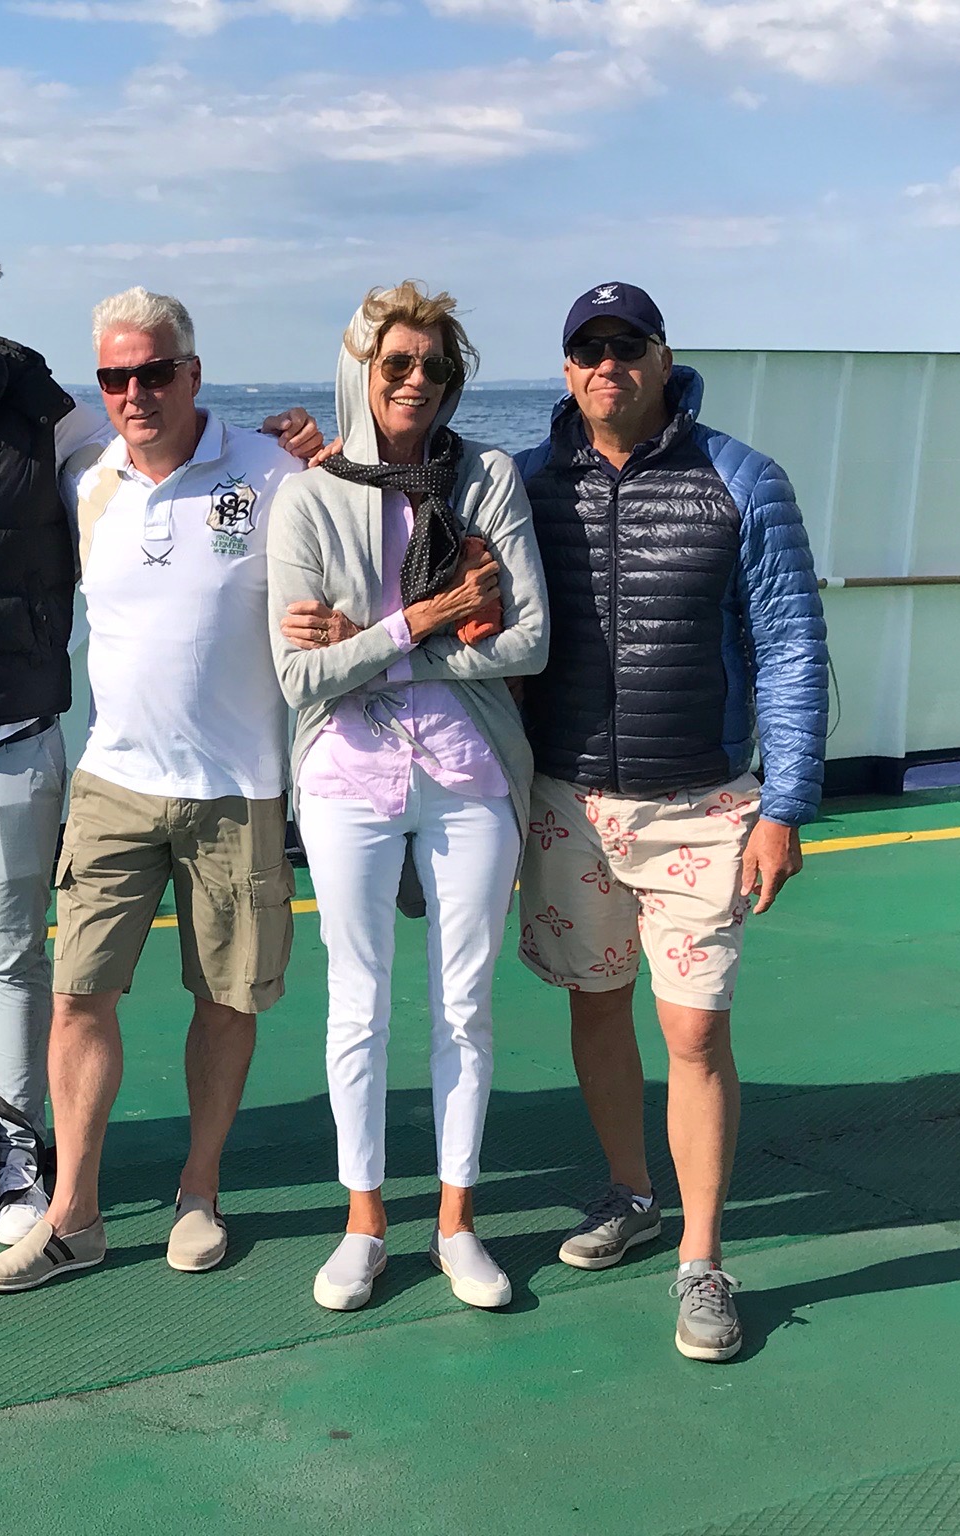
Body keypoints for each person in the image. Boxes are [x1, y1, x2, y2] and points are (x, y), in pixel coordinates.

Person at [0, 240, 324, 1247]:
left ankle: (63, 1161)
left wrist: (319, 442)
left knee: (38, 966)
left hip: (54, 747)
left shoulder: (70, 426)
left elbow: (318, 512)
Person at [514, 281, 828, 1362]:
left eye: (626, 344)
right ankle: (630, 1194)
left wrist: (785, 804)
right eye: (587, 348)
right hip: (565, 801)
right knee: (597, 1004)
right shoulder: (527, 483)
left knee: (692, 1031)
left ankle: (701, 1258)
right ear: (567, 369)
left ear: (660, 356)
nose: (607, 364)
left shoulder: (741, 479)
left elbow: (790, 643)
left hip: (702, 803)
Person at [0, 289, 305, 1292]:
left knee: (225, 998)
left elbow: (349, 556)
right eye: (114, 377)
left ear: (192, 373)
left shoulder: (272, 470)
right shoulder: (88, 477)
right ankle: (72, 1216)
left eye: (153, 372)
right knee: (77, 996)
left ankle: (199, 1191)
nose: (134, 393)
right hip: (113, 781)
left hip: (239, 789)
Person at [269, 281, 549, 1314]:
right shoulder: (308, 498)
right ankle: (363, 1223)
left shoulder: (487, 479)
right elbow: (299, 676)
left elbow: (530, 641)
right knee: (358, 999)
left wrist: (372, 644)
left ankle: (456, 1222)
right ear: (362, 370)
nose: (417, 381)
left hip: (471, 773)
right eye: (397, 363)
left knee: (464, 1003)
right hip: (346, 776)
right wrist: (427, 619)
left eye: (436, 366)